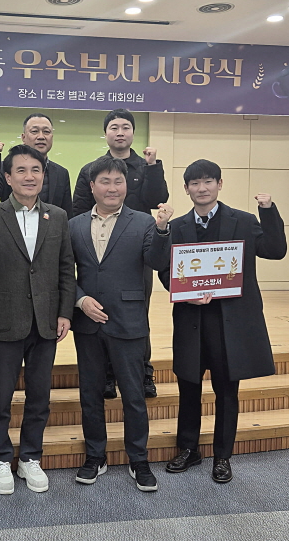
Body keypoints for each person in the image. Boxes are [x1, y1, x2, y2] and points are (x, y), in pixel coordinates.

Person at [157, 159, 287, 484]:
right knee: (188, 388)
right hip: (191, 320)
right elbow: (164, 270)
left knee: (227, 392)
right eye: (195, 183)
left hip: (231, 324)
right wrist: (183, 293)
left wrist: (268, 211)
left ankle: (222, 456)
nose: (202, 188)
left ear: (219, 184)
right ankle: (189, 449)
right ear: (186, 189)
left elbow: (275, 250)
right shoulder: (177, 227)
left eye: (208, 182)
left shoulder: (243, 221)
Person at [0, 144, 76, 495]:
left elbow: (66, 268)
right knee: (0, 396)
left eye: (36, 170)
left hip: (46, 320)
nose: (29, 176)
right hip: (5, 318)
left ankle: (30, 457)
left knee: (39, 395)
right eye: (21, 171)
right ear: (8, 178)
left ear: (44, 176)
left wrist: (65, 312)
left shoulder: (58, 216)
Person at [69, 157, 173, 491]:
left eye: (118, 181)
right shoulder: (73, 225)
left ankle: (138, 460)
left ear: (126, 186)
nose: (112, 188)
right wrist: (80, 300)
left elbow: (157, 261)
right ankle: (95, 457)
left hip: (128, 321)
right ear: (92, 186)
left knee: (133, 395)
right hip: (87, 323)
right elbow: (63, 272)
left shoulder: (144, 222)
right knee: (90, 395)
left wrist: (162, 230)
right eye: (105, 181)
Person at [72, 109, 169, 400]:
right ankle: (106, 375)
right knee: (98, 312)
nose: (120, 132)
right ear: (105, 133)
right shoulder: (92, 169)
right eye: (114, 127)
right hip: (99, 248)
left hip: (137, 249)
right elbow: (78, 209)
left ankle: (144, 372)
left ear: (133, 133)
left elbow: (157, 198)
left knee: (136, 313)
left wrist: (153, 167)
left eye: (125, 127)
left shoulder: (145, 165)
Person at [0, 112, 72, 217]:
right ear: (23, 137)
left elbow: (67, 213)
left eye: (46, 132)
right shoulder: (7, 167)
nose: (41, 136)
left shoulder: (61, 173)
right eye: (34, 131)